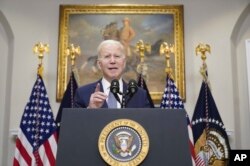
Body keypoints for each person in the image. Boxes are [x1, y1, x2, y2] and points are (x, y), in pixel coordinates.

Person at [74, 40, 152, 108]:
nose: (112, 61)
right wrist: (90, 110)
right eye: (107, 56)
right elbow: (75, 124)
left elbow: (148, 124)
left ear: (124, 63)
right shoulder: (83, 94)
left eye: (117, 56)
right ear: (99, 64)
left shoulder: (139, 95)